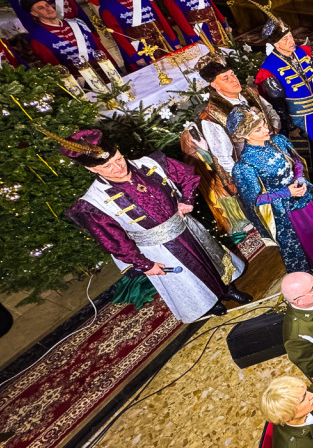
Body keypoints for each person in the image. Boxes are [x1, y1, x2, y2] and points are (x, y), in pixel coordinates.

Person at [62, 129, 251, 323]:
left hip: (186, 228)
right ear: (92, 169)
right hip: (157, 247)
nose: (118, 168)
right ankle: (210, 303)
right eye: (107, 166)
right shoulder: (93, 203)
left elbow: (186, 176)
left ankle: (228, 290)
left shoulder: (150, 163)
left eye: (118, 159)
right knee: (187, 278)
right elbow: (113, 241)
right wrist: (144, 264)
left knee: (212, 259)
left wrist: (186, 199)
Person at [181, 55, 279, 234]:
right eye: (225, 78)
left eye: (233, 74)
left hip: (276, 155)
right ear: (215, 85)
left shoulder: (249, 92)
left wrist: (275, 130)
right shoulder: (212, 117)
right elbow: (224, 157)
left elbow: (270, 112)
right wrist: (249, 179)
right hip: (254, 171)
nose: (234, 80)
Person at [230, 107, 313, 274]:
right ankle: (312, 277)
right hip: (284, 212)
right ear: (245, 135)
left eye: (264, 124)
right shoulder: (244, 166)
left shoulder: (278, 140)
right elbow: (254, 200)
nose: (266, 129)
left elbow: (297, 161)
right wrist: (286, 193)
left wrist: (299, 179)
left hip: (303, 197)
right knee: (305, 243)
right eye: (258, 129)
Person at [253, 7, 313, 210]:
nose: (291, 42)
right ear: (274, 44)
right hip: (302, 118)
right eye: (284, 40)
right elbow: (277, 104)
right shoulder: (269, 68)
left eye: (290, 36)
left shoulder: (301, 52)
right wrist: (290, 127)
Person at [22, 0, 120, 83]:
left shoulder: (76, 23)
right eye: (41, 8)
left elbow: (98, 46)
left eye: (47, 5)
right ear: (34, 14)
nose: (48, 9)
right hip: (80, 77)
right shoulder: (38, 37)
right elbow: (53, 64)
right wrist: (73, 82)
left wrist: (113, 65)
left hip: (104, 68)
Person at [96, 0, 178, 72]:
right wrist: (135, 56)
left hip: (163, 40)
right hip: (141, 48)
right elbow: (118, 35)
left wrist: (174, 39)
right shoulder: (107, 8)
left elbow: (160, 19)